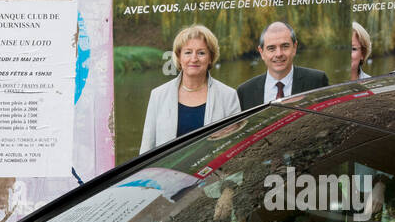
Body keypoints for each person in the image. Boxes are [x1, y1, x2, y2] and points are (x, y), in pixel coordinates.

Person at [139, 25, 241, 153]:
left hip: (214, 172)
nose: (194, 59)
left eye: (201, 53)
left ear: (210, 58)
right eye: (188, 52)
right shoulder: (158, 95)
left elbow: (235, 149)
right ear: (179, 57)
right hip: (167, 172)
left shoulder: (228, 96)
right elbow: (147, 148)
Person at [236, 21, 330, 109]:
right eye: (271, 48)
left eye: (285, 46)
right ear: (261, 52)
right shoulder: (245, 92)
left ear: (294, 48)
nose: (279, 54)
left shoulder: (317, 81)